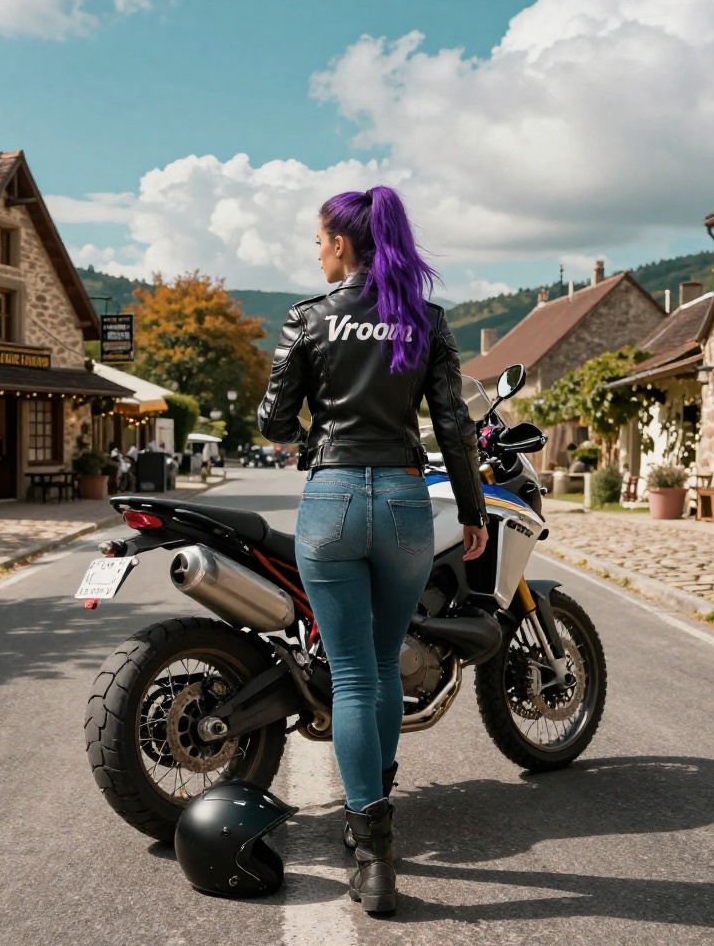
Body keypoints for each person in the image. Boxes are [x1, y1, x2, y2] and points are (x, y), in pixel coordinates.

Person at [258, 186, 488, 915]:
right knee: (384, 666)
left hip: (332, 500)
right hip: (404, 502)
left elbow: (272, 419)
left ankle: (371, 850)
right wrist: (473, 510)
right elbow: (453, 425)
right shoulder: (424, 319)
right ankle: (376, 815)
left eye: (319, 241)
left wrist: (309, 439)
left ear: (341, 244)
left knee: (352, 676)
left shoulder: (308, 317)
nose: (316, 253)